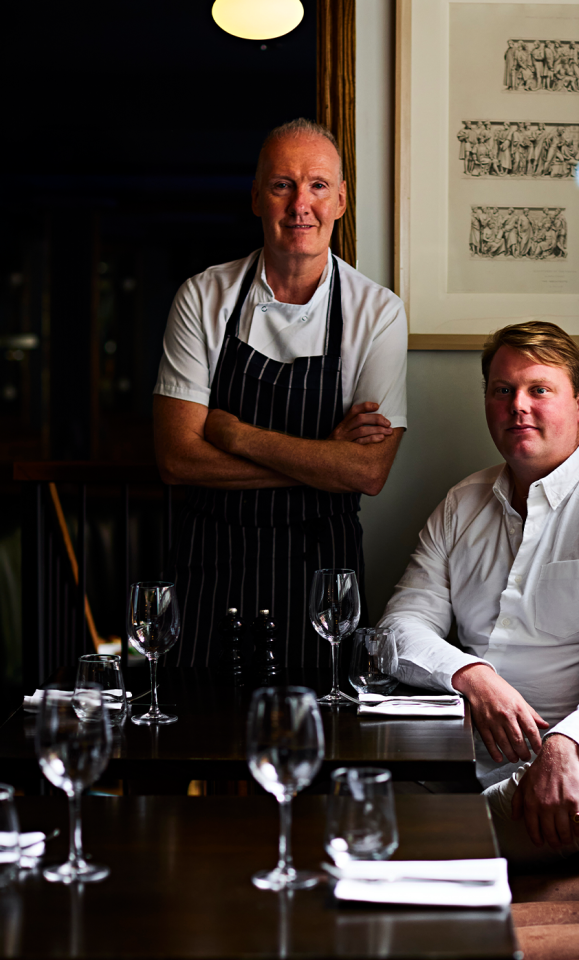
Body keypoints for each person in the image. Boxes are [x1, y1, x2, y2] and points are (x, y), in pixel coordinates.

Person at [378, 322, 579, 864]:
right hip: (471, 753)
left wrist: (569, 743)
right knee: (354, 783)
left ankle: (413, 846)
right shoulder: (461, 504)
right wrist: (471, 676)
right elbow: (399, 627)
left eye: (539, 389)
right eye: (502, 390)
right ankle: (424, 846)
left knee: (569, 805)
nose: (518, 406)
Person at [153, 119, 407, 667]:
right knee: (199, 716)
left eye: (318, 185)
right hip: (210, 562)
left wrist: (234, 435)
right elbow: (176, 458)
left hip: (322, 573)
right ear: (256, 198)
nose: (300, 205)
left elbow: (368, 472)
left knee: (322, 714)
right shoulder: (202, 297)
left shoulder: (378, 312)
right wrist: (325, 458)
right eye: (281, 185)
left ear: (341, 200)